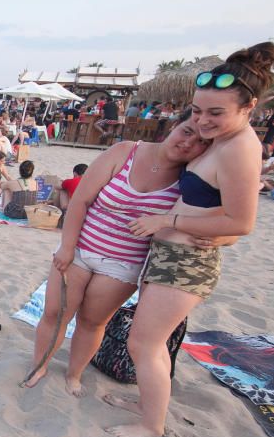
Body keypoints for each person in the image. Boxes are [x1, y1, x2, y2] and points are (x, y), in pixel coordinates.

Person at [113, 43, 274, 437]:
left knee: (144, 342)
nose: (203, 120)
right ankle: (147, 405)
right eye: (198, 110)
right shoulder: (224, 141)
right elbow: (224, 212)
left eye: (215, 113)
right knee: (147, 339)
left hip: (187, 263)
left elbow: (242, 221)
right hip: (173, 254)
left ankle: (152, 425)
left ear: (248, 107)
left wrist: (167, 219)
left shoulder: (240, 148)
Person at [24, 110, 215, 396]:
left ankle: (74, 374)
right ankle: (39, 365)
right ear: (173, 127)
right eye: (186, 131)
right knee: (55, 313)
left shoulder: (188, 180)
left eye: (201, 141)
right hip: (79, 249)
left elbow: (213, 219)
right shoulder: (125, 152)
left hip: (124, 263)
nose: (189, 143)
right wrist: (67, 246)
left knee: (92, 321)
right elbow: (80, 201)